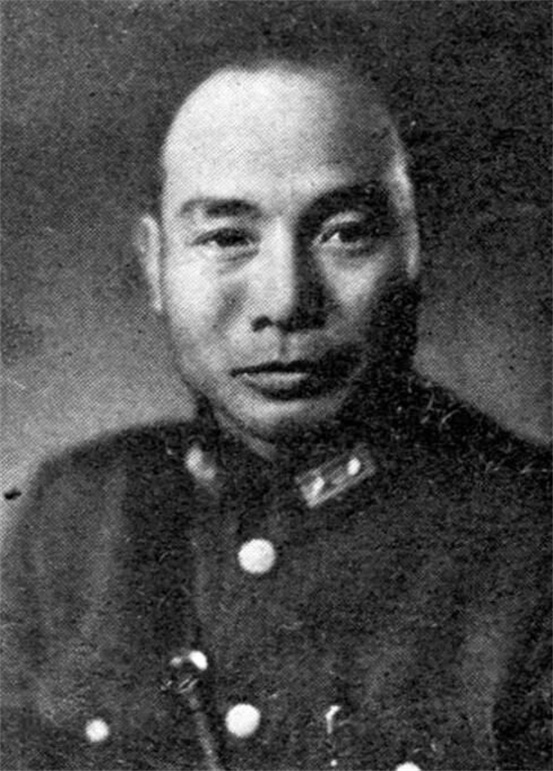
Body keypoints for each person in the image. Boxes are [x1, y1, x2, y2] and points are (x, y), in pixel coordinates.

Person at [2, 44, 550, 771]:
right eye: (227, 238)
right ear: (155, 265)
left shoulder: (531, 543)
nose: (287, 300)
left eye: (344, 233)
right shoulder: (75, 517)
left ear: (415, 249)